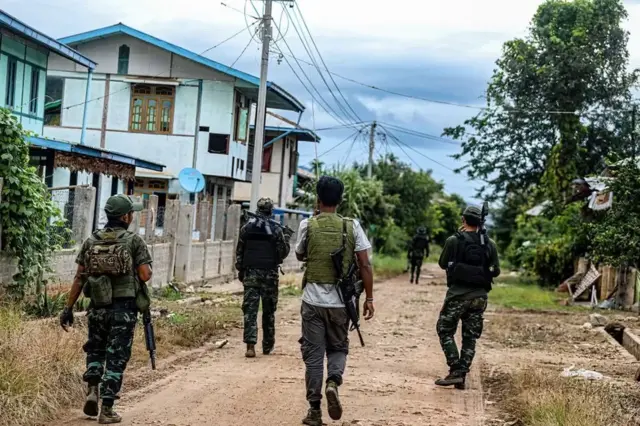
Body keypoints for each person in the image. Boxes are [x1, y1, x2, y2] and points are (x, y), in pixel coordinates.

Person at [59, 194, 153, 424]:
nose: (132, 216)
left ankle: (93, 388)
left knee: (96, 350)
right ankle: (107, 409)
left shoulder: (92, 241)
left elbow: (79, 278)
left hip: (97, 308)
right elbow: (144, 275)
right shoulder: (133, 241)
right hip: (123, 309)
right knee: (116, 356)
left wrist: (68, 308)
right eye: (131, 213)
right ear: (124, 216)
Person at [295, 176, 375, 426]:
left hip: (312, 302)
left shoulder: (308, 224)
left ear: (318, 199)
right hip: (341, 303)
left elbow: (299, 255)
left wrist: (314, 220)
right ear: (340, 200)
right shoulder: (352, 226)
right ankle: (333, 382)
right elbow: (364, 263)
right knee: (338, 348)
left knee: (314, 355)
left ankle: (315, 410)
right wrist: (369, 298)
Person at [435, 205, 500, 390]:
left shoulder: (453, 240)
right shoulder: (489, 243)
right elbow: (496, 271)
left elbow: (442, 263)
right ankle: (462, 372)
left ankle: (455, 369)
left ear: (463, 220)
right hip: (479, 297)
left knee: (445, 330)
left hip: (457, 296)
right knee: (470, 336)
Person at [235, 197, 291, 358]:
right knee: (269, 311)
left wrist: (241, 271)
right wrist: (286, 238)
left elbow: (240, 252)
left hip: (251, 275)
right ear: (271, 211)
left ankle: (250, 346)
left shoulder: (247, 228)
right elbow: (282, 253)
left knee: (250, 311)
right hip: (269, 277)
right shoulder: (276, 230)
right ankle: (267, 346)